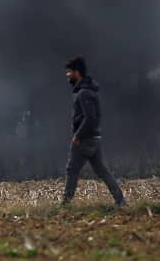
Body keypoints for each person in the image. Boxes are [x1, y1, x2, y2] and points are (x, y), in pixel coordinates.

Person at [62, 56, 125, 206]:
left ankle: (65, 204)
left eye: (69, 72)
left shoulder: (84, 93)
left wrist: (78, 136)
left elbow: (90, 118)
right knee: (102, 170)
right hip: (93, 138)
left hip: (85, 139)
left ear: (77, 73)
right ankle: (120, 200)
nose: (67, 75)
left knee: (72, 170)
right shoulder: (87, 91)